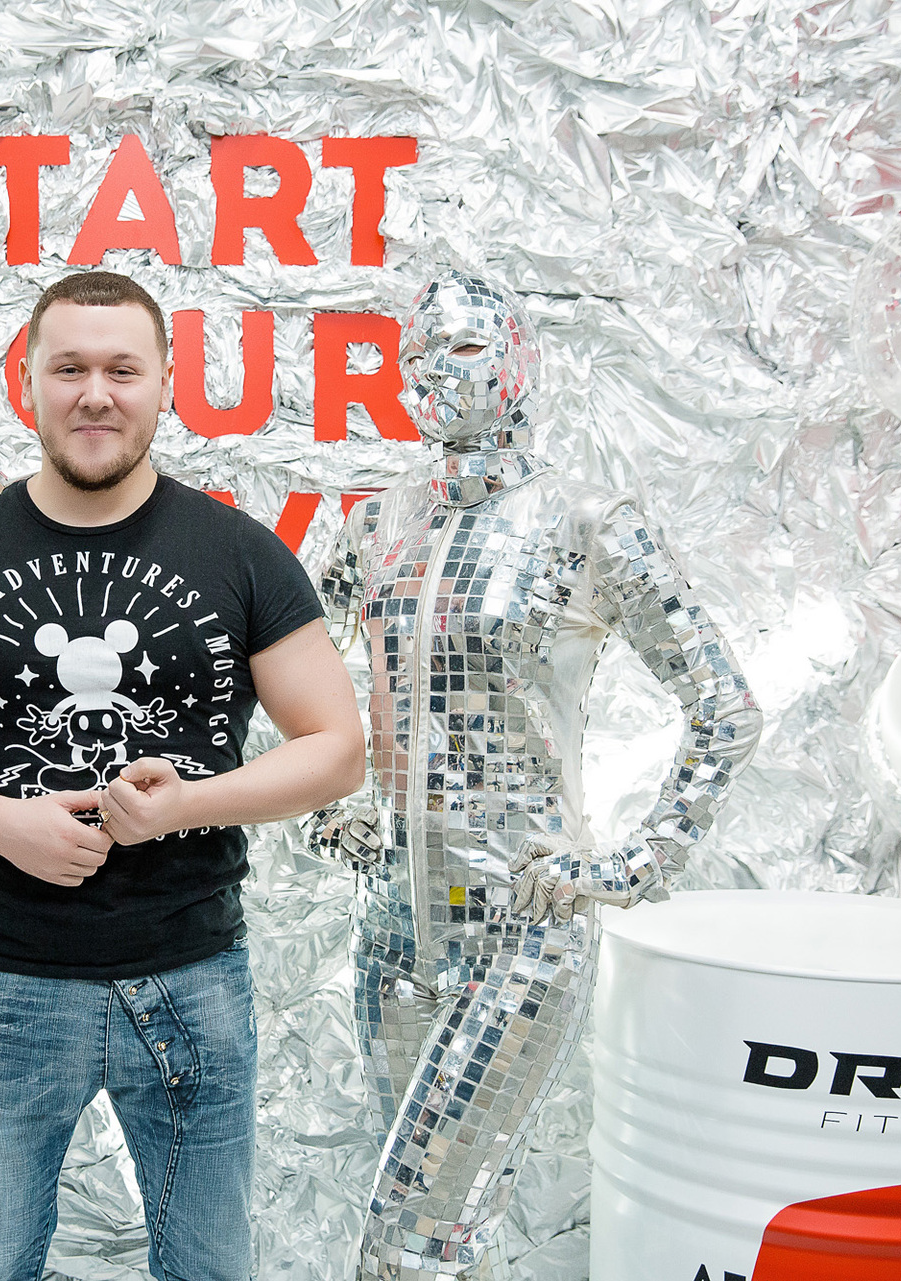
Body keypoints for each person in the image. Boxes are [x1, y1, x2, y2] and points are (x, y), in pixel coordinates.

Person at [0, 270, 365, 1281]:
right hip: (5, 985)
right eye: (69, 368)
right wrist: (2, 823)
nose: (95, 394)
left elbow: (336, 746)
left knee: (210, 1270)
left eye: (123, 370)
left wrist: (189, 806)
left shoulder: (240, 553)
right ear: (26, 383)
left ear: (164, 383)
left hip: (194, 979)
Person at [309, 267, 762, 1279]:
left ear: (520, 360)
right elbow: (298, 670)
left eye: (466, 349)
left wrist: (639, 861)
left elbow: (725, 706)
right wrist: (333, 799)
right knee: (447, 1227)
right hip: (393, 934)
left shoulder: (585, 522)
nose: (436, 376)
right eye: (416, 359)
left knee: (410, 1238)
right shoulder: (378, 524)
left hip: (519, 925)